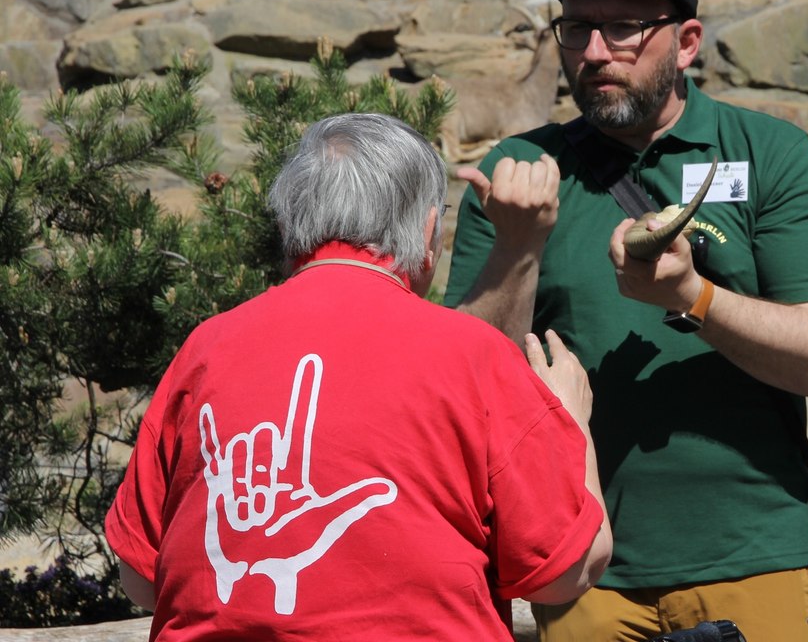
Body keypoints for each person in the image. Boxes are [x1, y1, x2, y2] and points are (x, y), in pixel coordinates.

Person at [444, 0, 808, 642]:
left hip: (751, 556)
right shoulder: (519, 172)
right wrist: (516, 247)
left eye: (624, 28)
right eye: (576, 28)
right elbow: (466, 383)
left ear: (687, 42)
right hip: (578, 564)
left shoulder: (768, 154)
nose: (595, 52)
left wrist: (695, 298)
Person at [105, 112, 611, 640]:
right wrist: (572, 425)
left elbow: (141, 579)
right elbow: (565, 570)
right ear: (426, 229)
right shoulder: (471, 352)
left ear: (288, 225)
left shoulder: (206, 347)